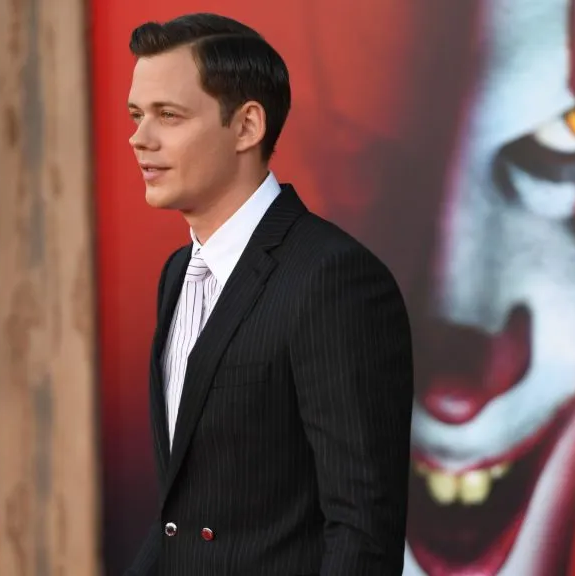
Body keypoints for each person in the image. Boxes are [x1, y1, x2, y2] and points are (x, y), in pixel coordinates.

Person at [122, 13, 414, 576]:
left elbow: (363, 529)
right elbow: (185, 514)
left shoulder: (334, 279)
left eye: (169, 116)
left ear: (248, 125)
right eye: (137, 115)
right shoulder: (177, 273)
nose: (140, 137)